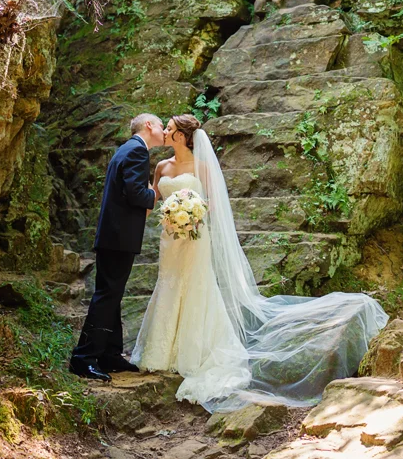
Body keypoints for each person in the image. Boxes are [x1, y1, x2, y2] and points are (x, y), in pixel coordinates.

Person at [131, 114, 389, 412]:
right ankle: (161, 351)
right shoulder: (161, 167)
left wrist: (192, 214)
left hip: (195, 236)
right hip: (170, 239)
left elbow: (214, 203)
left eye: (170, 129)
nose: (165, 132)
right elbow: (151, 200)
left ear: (181, 136)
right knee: (169, 283)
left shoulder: (203, 166)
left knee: (195, 285)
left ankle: (192, 351)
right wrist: (163, 214)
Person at [70, 113, 165, 382]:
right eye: (161, 125)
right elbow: (136, 193)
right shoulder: (137, 151)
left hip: (113, 235)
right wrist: (155, 193)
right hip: (118, 237)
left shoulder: (127, 149)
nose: (164, 131)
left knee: (112, 294)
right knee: (107, 295)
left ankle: (109, 354)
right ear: (149, 125)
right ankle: (83, 358)